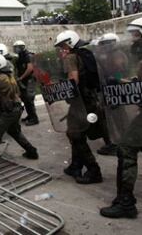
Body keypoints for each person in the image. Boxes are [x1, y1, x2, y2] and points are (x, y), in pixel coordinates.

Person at [100, 18, 142, 219]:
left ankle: (126, 203)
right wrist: (128, 82)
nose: (133, 39)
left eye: (136, 35)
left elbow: (120, 70)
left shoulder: (118, 55)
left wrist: (118, 80)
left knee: (126, 149)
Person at [54, 30, 103, 184]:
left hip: (79, 102)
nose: (62, 49)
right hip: (90, 99)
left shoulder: (71, 57)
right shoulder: (85, 54)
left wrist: (61, 92)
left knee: (75, 134)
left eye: (63, 45)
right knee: (76, 133)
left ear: (70, 43)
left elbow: (73, 79)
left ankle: (93, 170)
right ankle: (76, 165)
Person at [93, 33, 123, 156]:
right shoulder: (109, 55)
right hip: (110, 89)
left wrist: (114, 78)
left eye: (107, 44)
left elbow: (120, 72)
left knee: (117, 117)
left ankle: (117, 144)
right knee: (113, 117)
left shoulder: (117, 55)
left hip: (114, 90)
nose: (104, 46)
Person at [14, 40, 39, 126]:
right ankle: (30, 115)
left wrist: (21, 77)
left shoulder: (27, 55)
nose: (15, 49)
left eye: (17, 47)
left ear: (21, 47)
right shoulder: (20, 56)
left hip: (30, 80)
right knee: (25, 98)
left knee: (29, 98)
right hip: (24, 80)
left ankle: (34, 119)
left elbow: (30, 68)